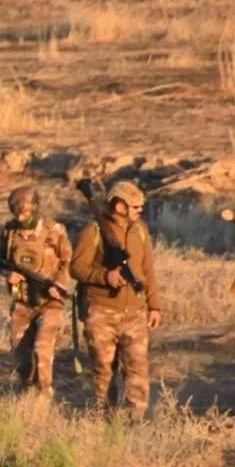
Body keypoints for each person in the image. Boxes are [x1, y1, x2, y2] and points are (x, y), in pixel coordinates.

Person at [70, 181, 163, 422]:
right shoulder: (94, 231)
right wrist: (105, 276)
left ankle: (138, 421)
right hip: (102, 313)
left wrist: (154, 306)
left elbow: (148, 270)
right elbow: (77, 268)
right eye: (135, 206)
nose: (140, 209)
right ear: (120, 206)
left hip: (135, 313)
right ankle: (104, 420)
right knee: (103, 371)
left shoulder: (140, 230)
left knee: (138, 371)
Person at [0, 185, 75, 397]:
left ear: (35, 208)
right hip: (22, 302)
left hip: (49, 301)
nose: (21, 216)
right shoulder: (9, 231)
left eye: (25, 211)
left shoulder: (54, 230)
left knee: (43, 348)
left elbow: (68, 261)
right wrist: (7, 274)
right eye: (16, 212)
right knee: (20, 353)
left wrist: (59, 284)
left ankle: (43, 394)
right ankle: (26, 386)